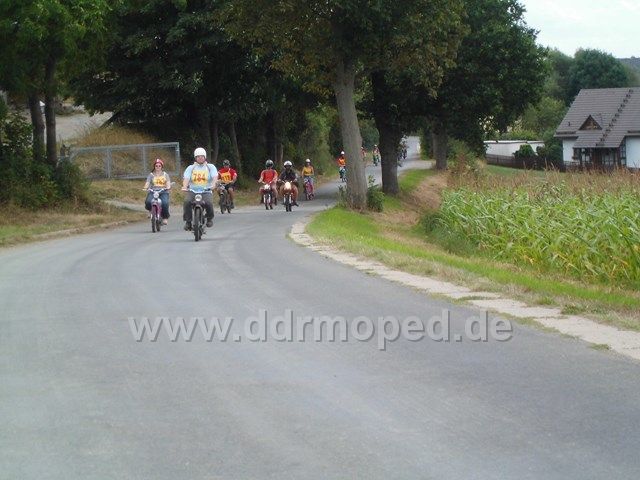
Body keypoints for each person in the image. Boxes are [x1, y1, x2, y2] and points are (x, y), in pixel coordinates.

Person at [181, 147, 217, 230]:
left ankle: (209, 218)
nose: (200, 158)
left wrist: (213, 185)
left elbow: (214, 177)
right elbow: (186, 178)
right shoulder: (191, 167)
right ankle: (188, 222)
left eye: (202, 156)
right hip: (193, 191)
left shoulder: (210, 167)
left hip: (206, 191)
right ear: (195, 158)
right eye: (198, 156)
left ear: (205, 157)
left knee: (208, 203)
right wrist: (185, 186)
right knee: (187, 202)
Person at [143, 158, 171, 224]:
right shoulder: (151, 175)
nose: (158, 167)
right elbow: (147, 182)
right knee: (148, 201)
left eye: (159, 166)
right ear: (154, 167)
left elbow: (168, 182)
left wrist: (168, 187)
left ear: (162, 167)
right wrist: (145, 187)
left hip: (163, 191)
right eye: (156, 166)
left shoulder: (165, 175)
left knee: (165, 203)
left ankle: (165, 217)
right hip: (153, 191)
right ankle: (150, 210)